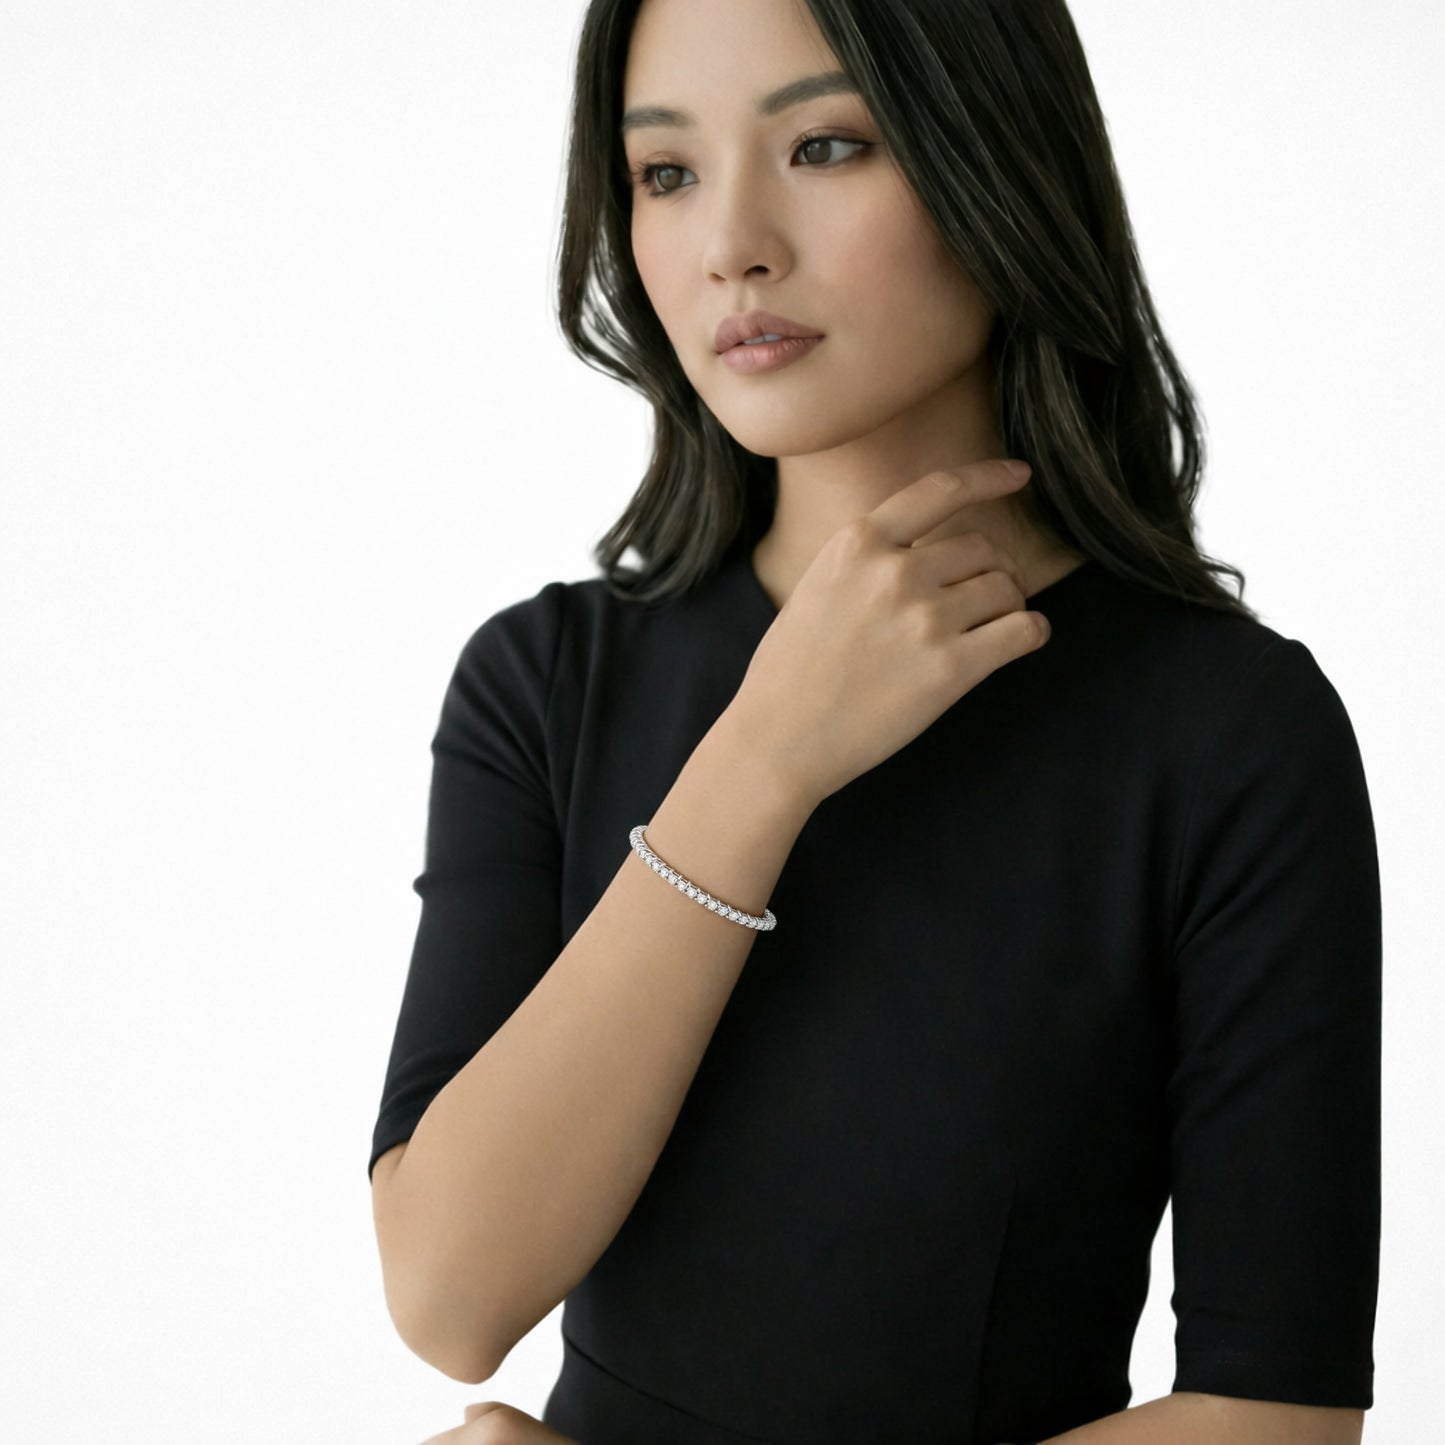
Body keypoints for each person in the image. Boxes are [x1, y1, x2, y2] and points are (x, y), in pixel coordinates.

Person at [370, 1, 1381, 1442]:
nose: (730, 243)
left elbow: (1270, 1421)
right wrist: (763, 757)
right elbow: (449, 1297)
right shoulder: (543, 681)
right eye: (664, 174)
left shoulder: (1226, 730)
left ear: (997, 165)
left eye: (826, 144)